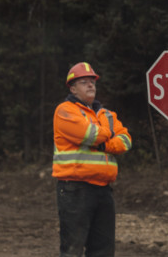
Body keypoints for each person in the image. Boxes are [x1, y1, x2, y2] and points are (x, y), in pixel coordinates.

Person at [52, 62, 132, 257]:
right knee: (73, 249)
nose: (90, 85)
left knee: (103, 251)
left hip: (103, 190)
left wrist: (106, 143)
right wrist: (108, 134)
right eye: (84, 82)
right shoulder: (65, 111)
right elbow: (91, 135)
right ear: (72, 88)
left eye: (92, 82)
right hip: (75, 189)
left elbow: (126, 140)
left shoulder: (106, 114)